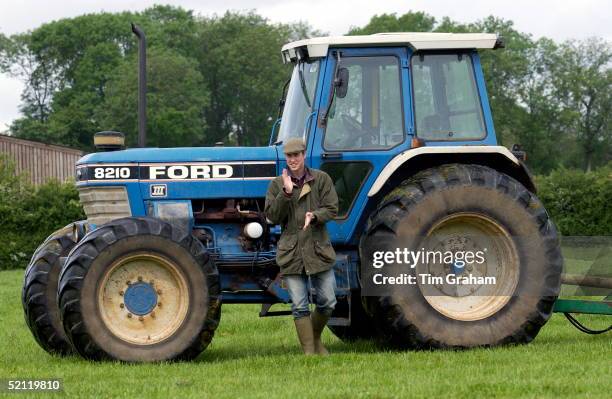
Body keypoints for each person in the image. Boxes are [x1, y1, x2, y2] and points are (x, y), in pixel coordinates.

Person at [265, 137, 339, 355]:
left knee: (328, 301)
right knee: (299, 306)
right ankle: (310, 352)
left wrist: (315, 216)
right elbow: (272, 216)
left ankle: (314, 339)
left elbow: (332, 208)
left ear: (304, 155)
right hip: (291, 252)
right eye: (289, 156)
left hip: (318, 249)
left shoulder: (321, 179)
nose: (293, 159)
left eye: (297, 155)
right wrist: (286, 193)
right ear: (286, 158)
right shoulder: (277, 184)